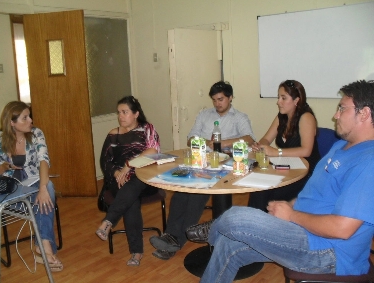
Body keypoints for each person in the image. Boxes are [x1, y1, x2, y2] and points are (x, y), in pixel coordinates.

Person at [185, 80, 374, 283]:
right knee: (229, 244)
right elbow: (316, 192)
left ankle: (214, 228)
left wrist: (292, 214)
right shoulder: (342, 147)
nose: (335, 115)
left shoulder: (368, 162)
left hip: (328, 251)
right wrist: (290, 206)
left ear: (363, 113)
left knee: (234, 217)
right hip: (304, 230)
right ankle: (220, 231)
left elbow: (342, 230)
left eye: (342, 109)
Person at [149, 81, 255, 260]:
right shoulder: (204, 115)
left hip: (225, 167)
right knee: (181, 193)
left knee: (197, 197)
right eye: (214, 100)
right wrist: (206, 143)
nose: (217, 104)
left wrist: (222, 143)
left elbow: (249, 139)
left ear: (230, 98)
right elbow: (191, 138)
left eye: (221, 99)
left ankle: (176, 241)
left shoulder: (240, 117)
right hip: (202, 161)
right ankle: (169, 235)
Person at [0, 101, 63, 272]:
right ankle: (44, 249)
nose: (30, 120)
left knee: (48, 188)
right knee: (44, 196)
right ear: (12, 122)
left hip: (33, 185)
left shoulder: (36, 133)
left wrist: (42, 188)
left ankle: (44, 247)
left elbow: (43, 160)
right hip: (10, 189)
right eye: (25, 117)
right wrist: (4, 167)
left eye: (29, 115)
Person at [95, 96, 160, 266]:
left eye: (125, 112)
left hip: (145, 178)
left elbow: (153, 151)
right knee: (130, 198)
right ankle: (136, 253)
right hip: (119, 180)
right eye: (119, 113)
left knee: (136, 183)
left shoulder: (147, 129)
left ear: (136, 113)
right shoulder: (113, 135)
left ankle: (108, 221)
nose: (120, 116)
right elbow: (105, 161)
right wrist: (117, 173)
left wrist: (128, 166)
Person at [248, 80, 320, 211]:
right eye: (278, 97)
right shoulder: (282, 117)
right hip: (286, 167)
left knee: (266, 192)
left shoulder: (306, 117)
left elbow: (307, 151)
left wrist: (276, 152)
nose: (278, 102)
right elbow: (266, 139)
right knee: (259, 187)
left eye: (283, 98)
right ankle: (253, 225)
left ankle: (262, 225)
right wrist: (260, 146)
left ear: (296, 100)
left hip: (305, 172)